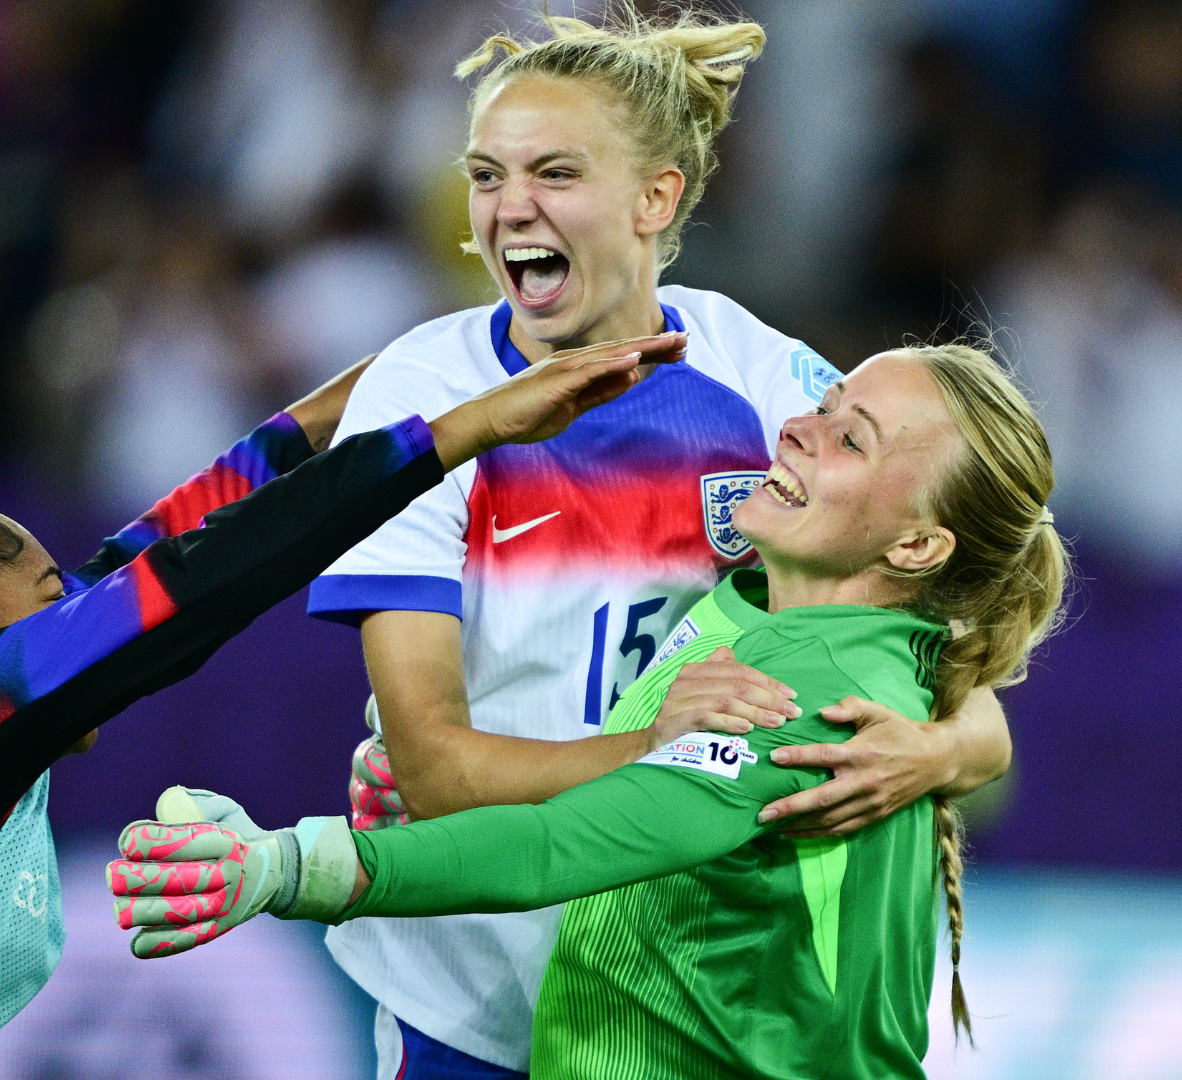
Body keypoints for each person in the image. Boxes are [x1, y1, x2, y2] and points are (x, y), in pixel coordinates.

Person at [0, 338, 673, 1080]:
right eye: (49, 598)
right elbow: (176, 594)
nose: (75, 604)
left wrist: (343, 405)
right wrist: (455, 431)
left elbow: (155, 549)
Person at [302, 12, 1015, 1076]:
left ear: (656, 199)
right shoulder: (427, 397)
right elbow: (437, 772)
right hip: (472, 1002)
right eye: (488, 176)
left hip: (679, 1001)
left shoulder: (767, 382)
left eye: (555, 173)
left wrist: (933, 750)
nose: (511, 209)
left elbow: (960, 683)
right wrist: (667, 753)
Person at [109, 343, 1068, 1079]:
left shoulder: (800, 698)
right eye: (822, 407)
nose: (796, 427)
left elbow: (556, 847)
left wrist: (286, 867)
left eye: (849, 437)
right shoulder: (751, 604)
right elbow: (644, 771)